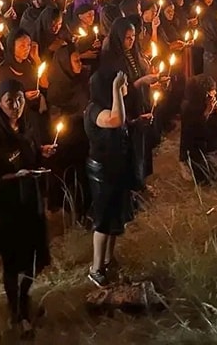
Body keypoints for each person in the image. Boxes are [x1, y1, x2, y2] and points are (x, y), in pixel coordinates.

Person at [0, 79, 55, 340]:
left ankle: (24, 297)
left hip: (30, 201)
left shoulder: (27, 125)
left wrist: (42, 151)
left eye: (19, 98)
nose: (16, 105)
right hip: (7, 208)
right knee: (13, 262)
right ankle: (16, 312)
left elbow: (30, 155)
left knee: (35, 257)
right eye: (9, 100)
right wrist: (13, 177)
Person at [84, 70, 136, 288]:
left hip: (116, 168)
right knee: (104, 220)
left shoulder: (115, 105)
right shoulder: (94, 110)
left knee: (115, 218)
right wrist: (116, 88)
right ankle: (96, 269)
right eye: (120, 84)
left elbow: (122, 123)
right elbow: (115, 120)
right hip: (102, 171)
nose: (125, 88)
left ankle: (108, 260)